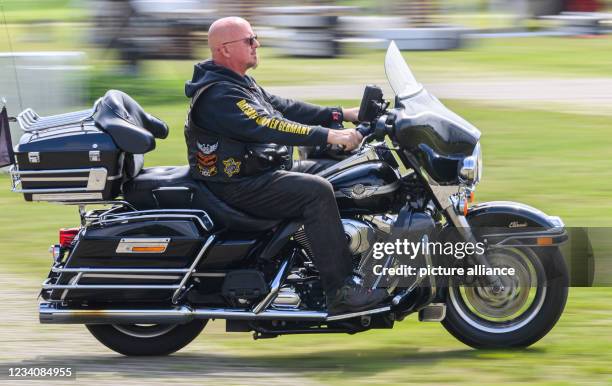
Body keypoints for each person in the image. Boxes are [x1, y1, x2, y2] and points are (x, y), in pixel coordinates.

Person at [184, 16, 387, 315]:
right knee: (316, 191)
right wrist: (332, 135)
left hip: (256, 173)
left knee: (337, 172)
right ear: (225, 50)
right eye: (249, 40)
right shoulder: (218, 94)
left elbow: (284, 107)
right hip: (237, 185)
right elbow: (267, 124)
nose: (257, 44)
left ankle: (334, 256)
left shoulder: (237, 83)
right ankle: (341, 290)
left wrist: (342, 113)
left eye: (255, 38)